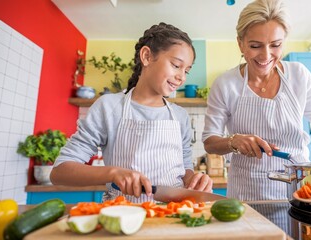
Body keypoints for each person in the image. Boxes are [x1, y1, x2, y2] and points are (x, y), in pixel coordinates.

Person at [202, 0, 311, 201]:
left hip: (299, 190)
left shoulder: (299, 75)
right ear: (240, 43)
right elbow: (210, 141)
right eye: (255, 46)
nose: (266, 55)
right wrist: (234, 141)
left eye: (275, 45)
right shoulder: (225, 84)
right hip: (247, 193)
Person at [50, 22, 213, 203]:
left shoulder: (179, 116)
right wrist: (112, 173)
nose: (182, 77)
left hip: (173, 215)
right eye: (176, 65)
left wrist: (193, 180)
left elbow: (184, 168)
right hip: (122, 215)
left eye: (187, 71)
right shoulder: (109, 107)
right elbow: (60, 172)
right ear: (146, 56)